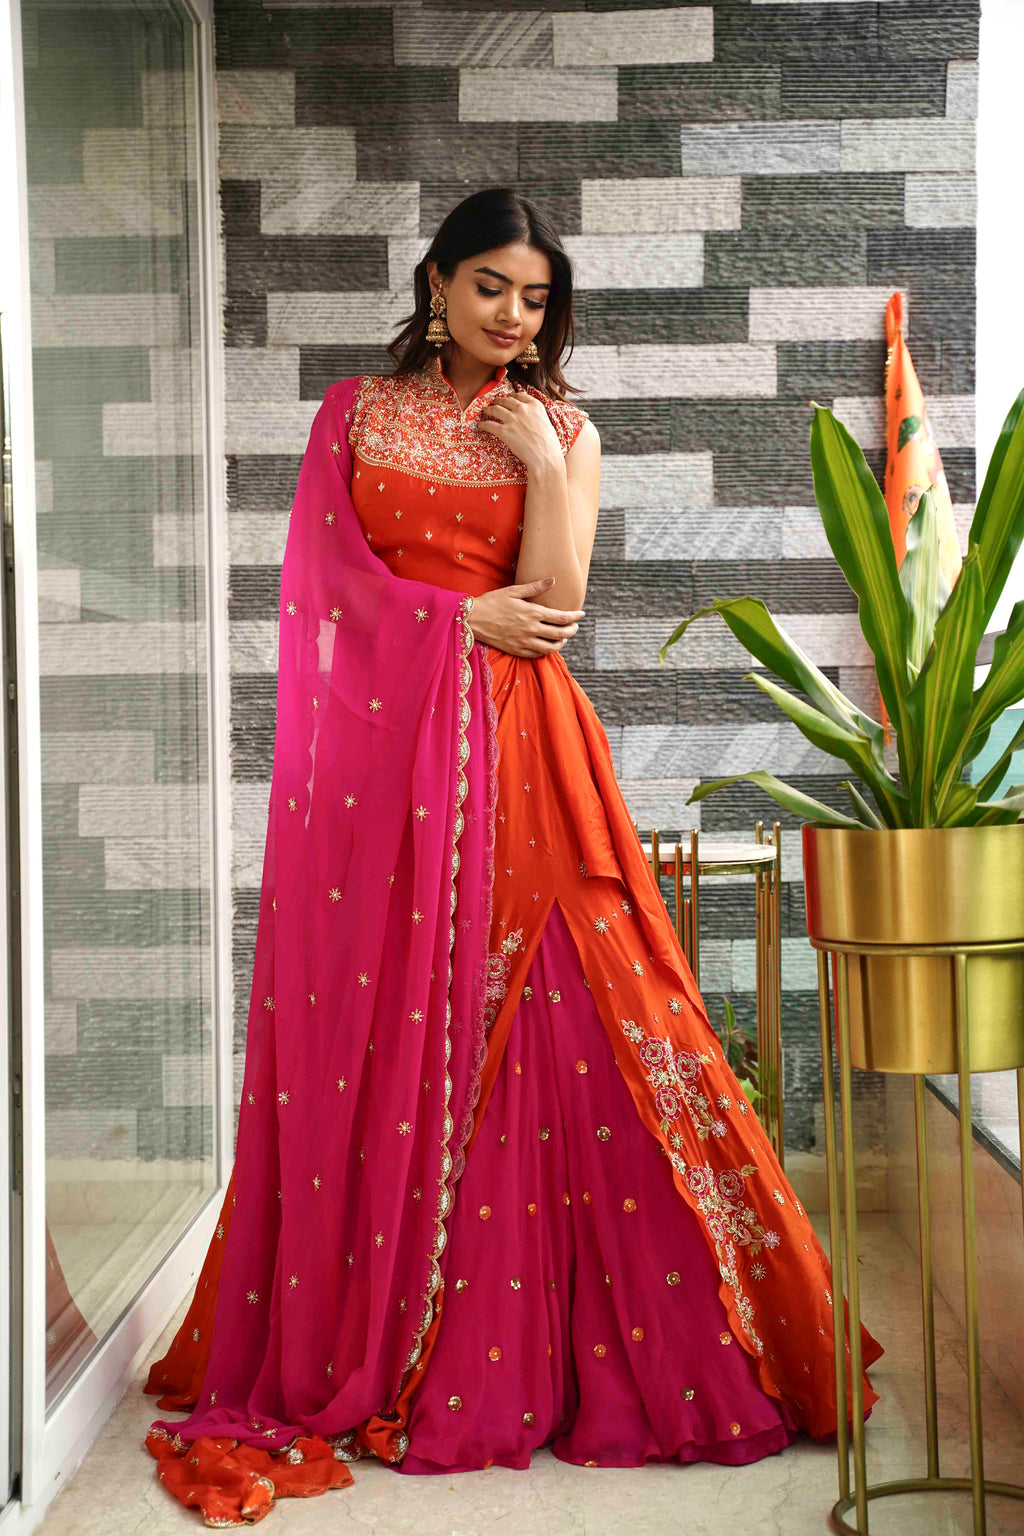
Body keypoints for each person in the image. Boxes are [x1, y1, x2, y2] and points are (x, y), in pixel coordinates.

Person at [142, 187, 882, 1525]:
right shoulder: (355, 418)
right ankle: (394, 1319)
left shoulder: (566, 428)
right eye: (490, 286)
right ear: (434, 282)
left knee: (592, 1001)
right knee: (380, 1024)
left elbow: (554, 615)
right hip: (375, 772)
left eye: (536, 298)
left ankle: (630, 1344)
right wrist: (449, 614)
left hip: (524, 755)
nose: (512, 315)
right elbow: (323, 594)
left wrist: (545, 471)